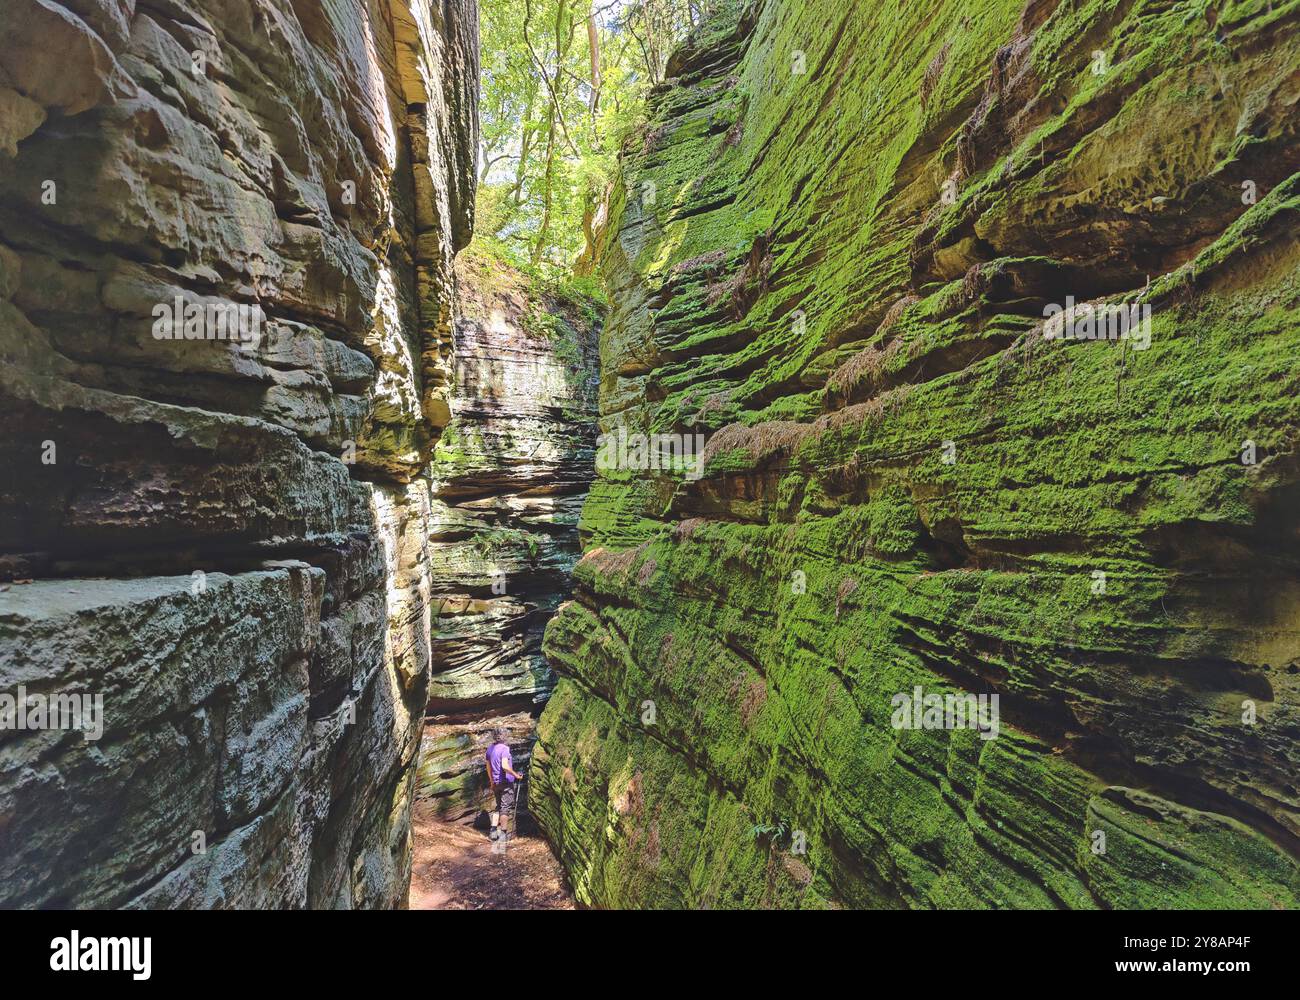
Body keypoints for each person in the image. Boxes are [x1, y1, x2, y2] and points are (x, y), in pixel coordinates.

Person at [484, 729, 524, 841]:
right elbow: (505, 766)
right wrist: (516, 775)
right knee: (505, 809)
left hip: (496, 783)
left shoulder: (490, 748)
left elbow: (488, 767)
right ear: (504, 737)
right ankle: (502, 836)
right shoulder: (505, 749)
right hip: (506, 783)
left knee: (498, 807)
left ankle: (493, 833)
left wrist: (491, 781)